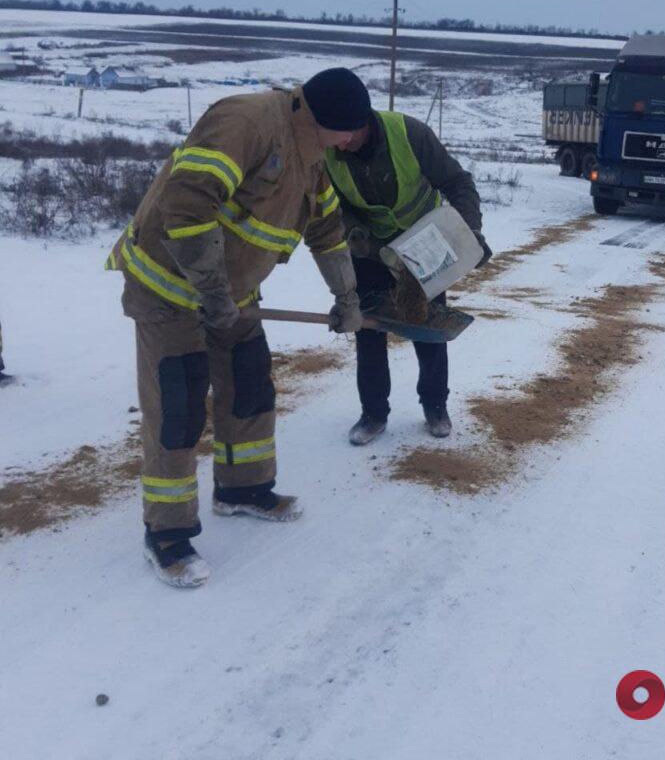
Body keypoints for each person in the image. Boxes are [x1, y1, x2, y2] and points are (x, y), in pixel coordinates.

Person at [107, 70, 367, 588]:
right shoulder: (245, 122)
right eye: (346, 132)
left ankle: (242, 489)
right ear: (321, 119)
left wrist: (347, 296)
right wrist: (210, 293)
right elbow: (186, 204)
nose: (350, 142)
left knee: (250, 387)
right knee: (178, 409)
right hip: (169, 288)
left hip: (234, 294)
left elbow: (327, 227)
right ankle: (167, 535)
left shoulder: (312, 153)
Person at [323, 72, 491, 446]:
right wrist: (356, 234)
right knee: (367, 329)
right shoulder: (328, 151)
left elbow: (458, 184)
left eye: (346, 133)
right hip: (368, 249)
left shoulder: (410, 134)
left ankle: (435, 407)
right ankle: (373, 414)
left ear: (364, 120)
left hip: (424, 245)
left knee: (428, 328)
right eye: (335, 134)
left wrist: (470, 234)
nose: (342, 142)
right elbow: (330, 207)